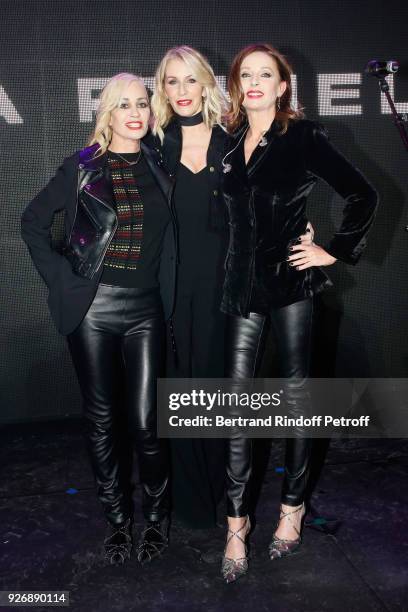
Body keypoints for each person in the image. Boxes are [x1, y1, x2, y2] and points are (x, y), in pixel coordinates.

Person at [219, 44, 378, 582]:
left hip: (290, 281)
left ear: (284, 85)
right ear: (237, 84)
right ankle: (236, 523)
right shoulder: (228, 139)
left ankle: (292, 509)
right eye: (247, 74)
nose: (256, 82)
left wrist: (332, 248)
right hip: (240, 285)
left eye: (267, 74)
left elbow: (363, 193)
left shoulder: (304, 137)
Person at [21, 73, 177, 566]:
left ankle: (156, 518)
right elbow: (32, 221)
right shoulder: (82, 166)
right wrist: (62, 280)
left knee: (147, 422)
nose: (135, 113)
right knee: (103, 420)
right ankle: (116, 521)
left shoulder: (161, 162)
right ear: (106, 113)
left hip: (146, 307)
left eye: (142, 105)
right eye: (123, 105)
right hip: (93, 309)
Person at [148, 45, 229, 529]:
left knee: (218, 387)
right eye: (171, 81)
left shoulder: (233, 142)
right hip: (171, 289)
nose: (181, 91)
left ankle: (221, 488)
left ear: (205, 84)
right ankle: (190, 499)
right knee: (178, 390)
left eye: (189, 80)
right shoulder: (154, 146)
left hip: (225, 286)